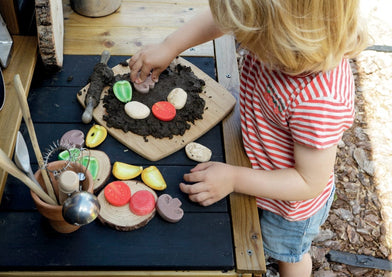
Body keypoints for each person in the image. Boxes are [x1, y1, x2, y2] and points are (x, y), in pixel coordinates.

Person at [129, 1, 368, 276]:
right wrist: (170, 46)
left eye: (247, 35)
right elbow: (225, 17)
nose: (239, 37)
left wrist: (234, 179)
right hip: (258, 164)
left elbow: (308, 182)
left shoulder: (319, 101)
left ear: (282, 35)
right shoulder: (281, 39)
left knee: (289, 254)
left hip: (289, 206)